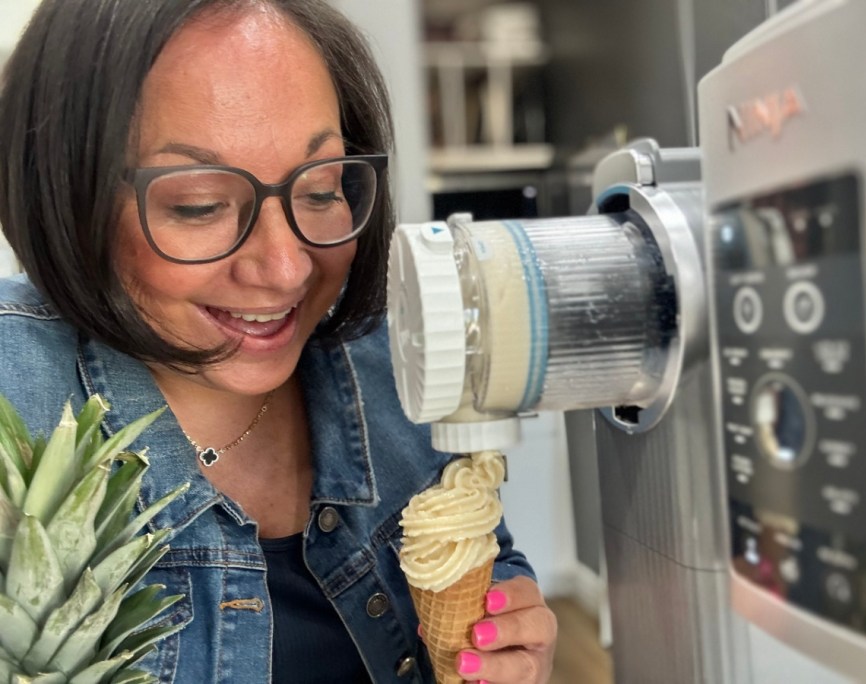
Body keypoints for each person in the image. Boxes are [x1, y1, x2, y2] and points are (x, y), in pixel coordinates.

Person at [0, 0, 557, 682]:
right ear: (65, 193)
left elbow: (488, 553)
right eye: (200, 204)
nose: (288, 267)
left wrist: (510, 632)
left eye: (321, 189)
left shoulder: (401, 365)